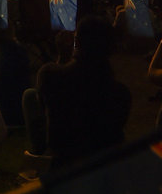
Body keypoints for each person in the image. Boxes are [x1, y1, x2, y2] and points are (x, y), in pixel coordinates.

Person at [25, 14, 131, 164]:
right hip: (101, 165)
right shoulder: (120, 94)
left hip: (63, 159)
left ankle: (37, 152)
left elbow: (47, 107)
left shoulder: (49, 74)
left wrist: (62, 56)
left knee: (30, 96)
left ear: (77, 42)